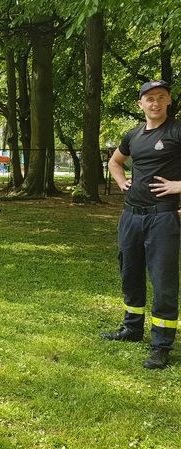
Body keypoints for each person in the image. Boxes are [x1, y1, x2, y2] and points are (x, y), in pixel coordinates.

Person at [101, 80, 181, 369]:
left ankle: (161, 345)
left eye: (161, 97)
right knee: (130, 272)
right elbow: (115, 162)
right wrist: (122, 181)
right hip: (131, 216)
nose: (155, 103)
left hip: (163, 217)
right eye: (149, 98)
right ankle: (132, 328)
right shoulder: (133, 135)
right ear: (140, 104)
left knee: (163, 280)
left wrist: (178, 185)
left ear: (169, 100)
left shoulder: (176, 131)